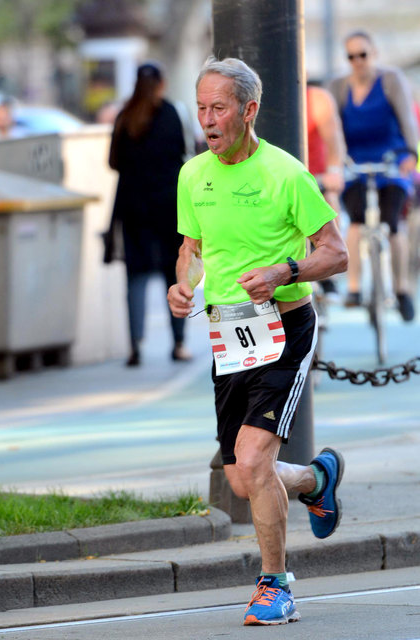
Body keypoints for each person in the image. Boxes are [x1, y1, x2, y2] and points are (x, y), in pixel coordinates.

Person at [168, 56, 348, 626]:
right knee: (245, 475)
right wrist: (182, 285)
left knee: (252, 455)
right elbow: (193, 250)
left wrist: (283, 271)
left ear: (248, 110)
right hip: (230, 332)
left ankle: (276, 586)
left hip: (285, 329)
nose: (207, 120)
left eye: (218, 108)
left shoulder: (286, 173)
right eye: (201, 108)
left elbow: (336, 252)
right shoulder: (193, 174)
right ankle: (317, 479)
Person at [108, 61, 195, 366]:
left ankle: (135, 347)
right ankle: (179, 343)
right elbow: (187, 154)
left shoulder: (124, 115)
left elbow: (113, 162)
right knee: (174, 273)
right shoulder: (172, 112)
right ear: (161, 84)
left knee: (135, 278)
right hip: (169, 206)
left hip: (133, 208)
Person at [330, 30, 419, 321]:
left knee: (392, 221)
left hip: (392, 160)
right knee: (355, 221)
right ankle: (354, 288)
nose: (358, 61)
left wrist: (410, 154)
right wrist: (335, 162)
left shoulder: (391, 80)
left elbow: (407, 119)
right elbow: (332, 130)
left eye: (363, 54)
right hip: (355, 162)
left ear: (374, 53)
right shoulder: (339, 87)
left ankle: (402, 289)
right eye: (351, 56)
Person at [307, 82, 346, 297]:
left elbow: (334, 140)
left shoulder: (317, 99)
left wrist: (334, 171)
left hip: (318, 175)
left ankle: (330, 270)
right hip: (289, 178)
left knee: (330, 200)